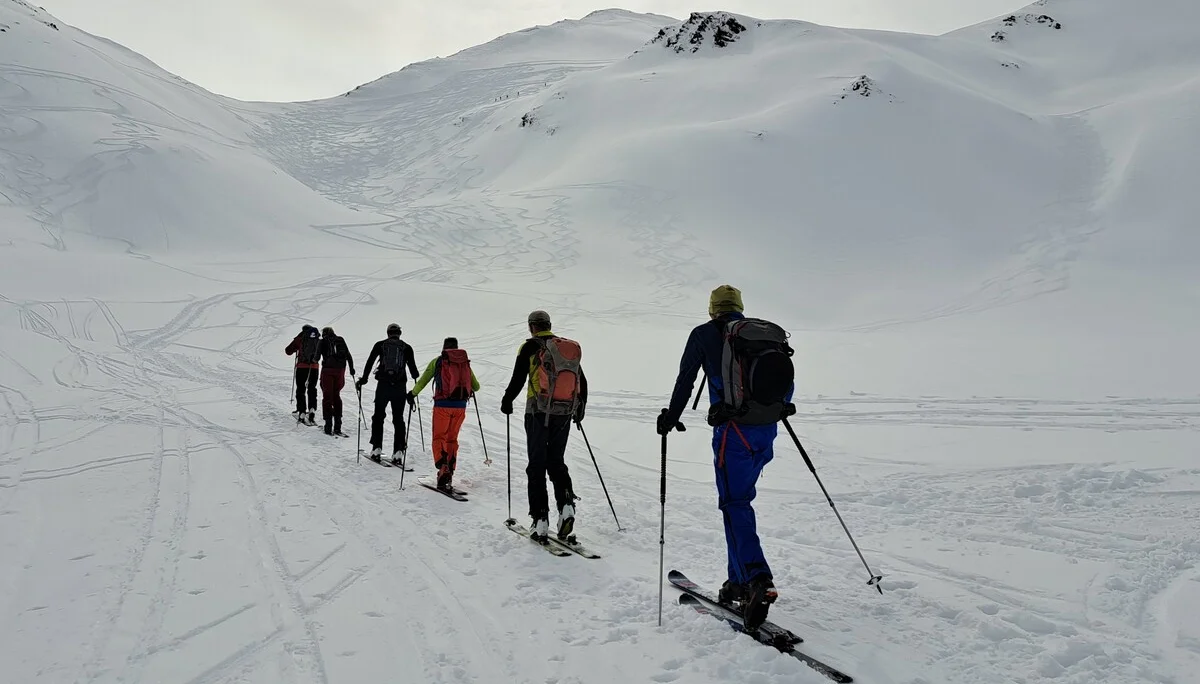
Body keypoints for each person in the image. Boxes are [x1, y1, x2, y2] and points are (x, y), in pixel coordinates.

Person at [657, 285, 790, 629]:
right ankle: (738, 581)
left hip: (734, 433)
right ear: (740, 308)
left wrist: (671, 418)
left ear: (712, 309)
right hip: (767, 430)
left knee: (734, 504)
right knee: (738, 502)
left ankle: (757, 578)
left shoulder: (704, 334)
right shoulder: (764, 336)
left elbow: (685, 380)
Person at [500, 310, 587, 542]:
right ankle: (567, 506)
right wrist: (580, 409)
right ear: (549, 325)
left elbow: (518, 378)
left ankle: (540, 519)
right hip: (564, 412)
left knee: (536, 465)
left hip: (537, 412)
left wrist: (507, 400)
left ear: (531, 327)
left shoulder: (529, 347)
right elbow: (581, 380)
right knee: (556, 462)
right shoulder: (564, 348)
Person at [409, 337, 481, 491]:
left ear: (444, 348)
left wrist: (412, 394)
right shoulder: (463, 363)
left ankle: (443, 469)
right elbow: (476, 386)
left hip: (442, 405)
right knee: (452, 439)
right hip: (460, 406)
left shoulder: (438, 361)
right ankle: (450, 470)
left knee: (439, 437)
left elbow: (423, 381)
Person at [356, 323, 419, 464]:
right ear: (399, 333)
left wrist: (364, 379)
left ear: (388, 333)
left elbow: (370, 362)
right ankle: (398, 451)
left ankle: (376, 448)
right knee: (398, 419)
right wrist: (414, 377)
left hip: (383, 386)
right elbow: (414, 370)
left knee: (378, 416)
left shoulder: (380, 345)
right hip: (400, 387)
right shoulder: (406, 347)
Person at [318, 326, 355, 437]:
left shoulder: (322, 342)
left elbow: (316, 357)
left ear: (324, 333)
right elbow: (348, 354)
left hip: (327, 371)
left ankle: (328, 426)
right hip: (340, 371)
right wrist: (352, 369)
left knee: (327, 397)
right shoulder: (340, 339)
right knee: (336, 396)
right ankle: (338, 426)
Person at [286, 324, 321, 425]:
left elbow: (288, 351)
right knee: (312, 388)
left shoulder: (300, 338)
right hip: (314, 367)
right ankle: (312, 409)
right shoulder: (317, 339)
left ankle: (301, 411)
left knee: (301, 389)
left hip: (302, 367)